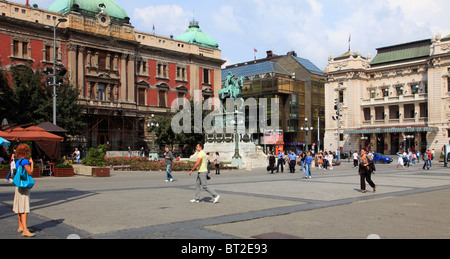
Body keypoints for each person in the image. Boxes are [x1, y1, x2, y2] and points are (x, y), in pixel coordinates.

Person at [12, 144, 35, 237]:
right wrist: (32, 164)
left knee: (19, 207)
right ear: (26, 152)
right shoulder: (25, 161)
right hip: (24, 186)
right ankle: (25, 230)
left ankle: (20, 226)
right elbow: (30, 172)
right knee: (24, 208)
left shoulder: (18, 161)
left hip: (18, 185)